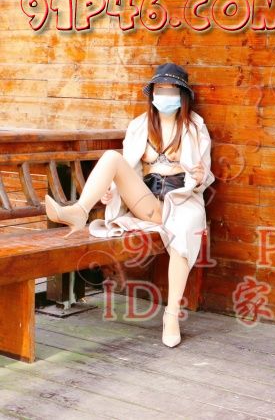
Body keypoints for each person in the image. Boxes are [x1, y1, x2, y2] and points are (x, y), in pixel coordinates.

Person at [44, 63, 215, 348]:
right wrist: (112, 191)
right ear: (152, 93)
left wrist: (199, 176)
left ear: (182, 95)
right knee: (112, 157)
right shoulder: (139, 125)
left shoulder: (195, 127)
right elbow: (130, 168)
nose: (165, 95)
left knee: (184, 233)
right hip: (148, 201)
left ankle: (171, 315)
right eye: (160, 89)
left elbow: (204, 172)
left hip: (181, 198)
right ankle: (79, 211)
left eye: (171, 90)